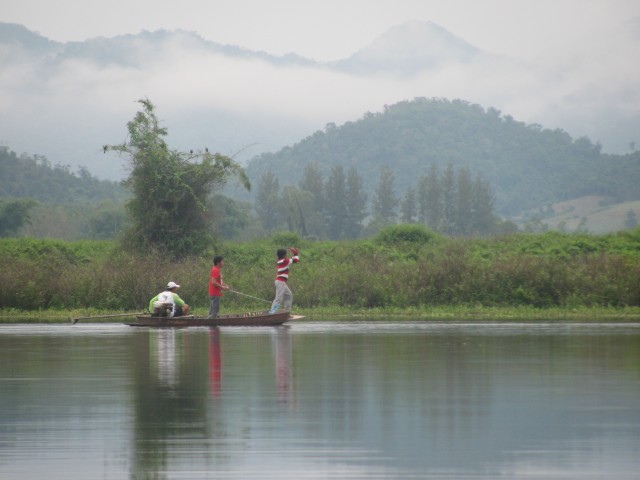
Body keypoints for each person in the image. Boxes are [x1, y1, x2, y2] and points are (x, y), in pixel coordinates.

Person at [269, 247, 300, 313]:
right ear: (283, 255)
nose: (286, 256)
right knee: (278, 299)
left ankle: (286, 312)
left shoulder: (280, 261)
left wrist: (294, 253)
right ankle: (272, 313)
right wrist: (295, 253)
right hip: (280, 282)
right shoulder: (285, 261)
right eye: (286, 254)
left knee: (289, 295)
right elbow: (296, 260)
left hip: (281, 282)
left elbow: (293, 260)